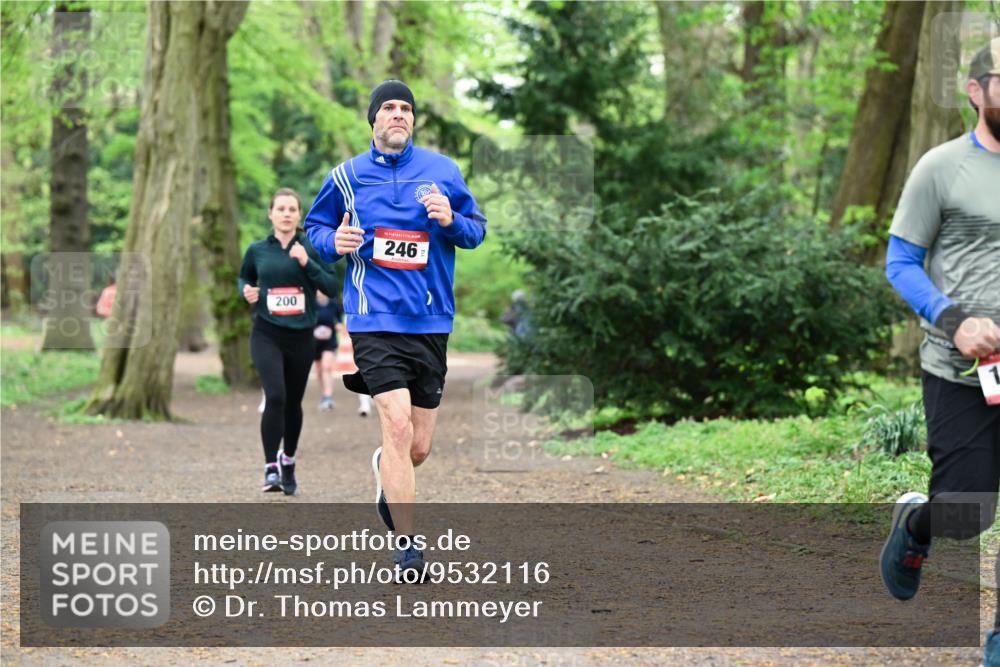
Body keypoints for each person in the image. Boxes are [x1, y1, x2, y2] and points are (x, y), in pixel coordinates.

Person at [304, 80, 487, 575]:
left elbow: (476, 230)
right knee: (397, 425)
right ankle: (407, 546)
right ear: (373, 119)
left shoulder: (443, 172)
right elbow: (315, 229)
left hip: (430, 319)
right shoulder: (345, 177)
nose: (399, 115)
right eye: (389, 107)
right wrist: (333, 241)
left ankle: (387, 471)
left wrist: (451, 219)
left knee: (417, 446)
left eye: (406, 108)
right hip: (373, 318)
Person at [880, 38, 1000, 664]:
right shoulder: (941, 167)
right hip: (960, 371)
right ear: (977, 90)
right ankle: (917, 525)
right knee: (966, 511)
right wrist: (953, 319)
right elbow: (900, 261)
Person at [240, 188, 339, 496]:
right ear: (271, 214)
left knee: (294, 403)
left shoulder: (313, 247)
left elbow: (332, 287)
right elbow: (244, 277)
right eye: (280, 209)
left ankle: (289, 460)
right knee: (276, 396)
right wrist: (246, 290)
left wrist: (306, 262)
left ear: (299, 216)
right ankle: (271, 467)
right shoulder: (258, 250)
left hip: (301, 335)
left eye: (291, 209)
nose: (285, 214)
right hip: (267, 333)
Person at [313, 291, 374, 416]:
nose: (320, 292)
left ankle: (328, 395)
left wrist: (339, 325)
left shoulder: (333, 304)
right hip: (314, 343)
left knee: (326, 367)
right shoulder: (312, 304)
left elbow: (339, 319)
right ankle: (324, 392)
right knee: (319, 370)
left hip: (329, 342)